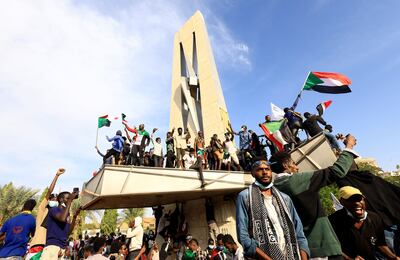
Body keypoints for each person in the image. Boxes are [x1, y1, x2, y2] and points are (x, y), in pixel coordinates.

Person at [270, 134, 358, 259]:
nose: (297, 167)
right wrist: (349, 146)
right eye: (294, 163)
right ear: (286, 165)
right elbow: (337, 171)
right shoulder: (297, 182)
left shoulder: (272, 190)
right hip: (323, 249)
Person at [236, 158, 309, 260]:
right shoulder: (245, 197)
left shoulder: (285, 199)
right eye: (260, 169)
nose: (265, 172)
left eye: (267, 169)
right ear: (252, 173)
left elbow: (299, 233)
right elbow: (244, 237)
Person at [329, 186, 400, 260]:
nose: (357, 203)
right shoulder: (333, 221)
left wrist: (393, 257)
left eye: (359, 199)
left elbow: (380, 244)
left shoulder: (374, 218)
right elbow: (330, 248)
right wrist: (349, 259)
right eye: (351, 200)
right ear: (342, 202)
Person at [27, 168, 65, 260]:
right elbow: (49, 192)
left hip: (51, 249)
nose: (54, 201)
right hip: (38, 246)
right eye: (52, 199)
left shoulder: (58, 216)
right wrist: (56, 176)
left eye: (56, 200)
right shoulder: (43, 210)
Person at [41, 190, 80, 260]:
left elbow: (68, 232)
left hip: (62, 247)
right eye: (67, 198)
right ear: (61, 199)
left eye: (70, 199)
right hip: (52, 246)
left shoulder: (66, 214)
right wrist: (70, 201)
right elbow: (62, 219)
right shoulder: (54, 210)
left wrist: (74, 217)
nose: (69, 200)